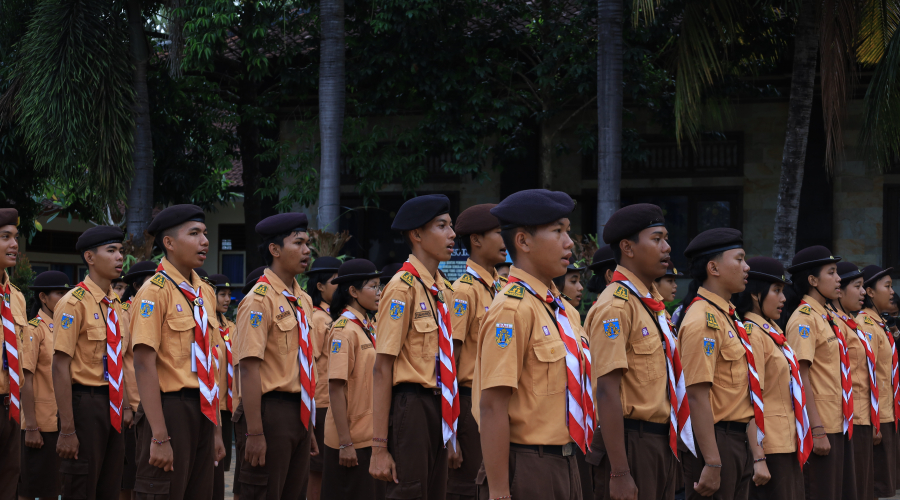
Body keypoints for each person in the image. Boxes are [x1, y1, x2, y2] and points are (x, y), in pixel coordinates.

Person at [474, 189, 591, 500]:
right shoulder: (512, 310)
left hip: (567, 461)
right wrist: (499, 492)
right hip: (529, 465)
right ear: (523, 241)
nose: (569, 243)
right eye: (557, 231)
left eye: (568, 231)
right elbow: (492, 406)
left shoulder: (562, 310)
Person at [586, 203, 693, 500]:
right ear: (627, 248)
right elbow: (606, 391)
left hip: (661, 441)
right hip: (633, 442)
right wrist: (620, 471)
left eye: (666, 238)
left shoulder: (649, 304)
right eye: (657, 239)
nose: (667, 247)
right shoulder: (615, 307)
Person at [130, 204, 227, 500]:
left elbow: (211, 363)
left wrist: (215, 430)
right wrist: (159, 435)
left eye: (205, 234)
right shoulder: (154, 292)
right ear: (169, 243)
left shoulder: (205, 293)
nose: (205, 241)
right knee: (163, 491)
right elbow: (144, 364)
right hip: (170, 409)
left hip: (203, 409)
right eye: (194, 233)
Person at [369, 194, 459, 499]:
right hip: (413, 405)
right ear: (417, 235)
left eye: (451, 226)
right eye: (442, 226)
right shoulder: (401, 288)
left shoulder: (442, 289)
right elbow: (382, 368)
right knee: (409, 492)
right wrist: (379, 446)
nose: (452, 234)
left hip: (440, 404)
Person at [233, 212, 320, 499]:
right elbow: (248, 368)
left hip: (300, 414)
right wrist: (255, 433)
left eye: (308, 243)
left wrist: (308, 427)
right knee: (264, 491)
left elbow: (304, 364)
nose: (307, 250)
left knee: (294, 493)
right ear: (275, 249)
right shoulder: (259, 299)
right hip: (270, 413)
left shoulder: (303, 300)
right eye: (299, 243)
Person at [676, 228, 761, 500]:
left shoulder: (727, 316)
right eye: (739, 259)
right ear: (713, 267)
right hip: (717, 441)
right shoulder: (703, 319)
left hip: (737, 440)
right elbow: (697, 394)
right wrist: (712, 460)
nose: (746, 267)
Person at [51, 226, 134, 500]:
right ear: (89, 257)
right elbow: (60, 366)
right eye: (111, 251)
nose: (119, 257)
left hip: (113, 406)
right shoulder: (73, 304)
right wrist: (67, 428)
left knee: (109, 486)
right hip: (85, 404)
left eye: (120, 251)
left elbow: (122, 361)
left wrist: (127, 406)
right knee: (81, 485)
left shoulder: (117, 306)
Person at [732, 257, 809, 500]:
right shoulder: (754, 334)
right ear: (756, 294)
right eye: (776, 290)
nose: (784, 299)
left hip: (787, 441)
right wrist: (759, 457)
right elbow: (752, 398)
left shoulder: (772, 332)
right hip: (770, 446)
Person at [783, 246, 856, 500]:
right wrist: (816, 429)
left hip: (839, 421)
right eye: (832, 272)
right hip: (822, 424)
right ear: (813, 280)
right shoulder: (804, 319)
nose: (838, 279)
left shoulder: (827, 316)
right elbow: (800, 377)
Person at [447, 203, 507, 500]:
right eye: (498, 232)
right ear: (476, 240)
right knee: (469, 489)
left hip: (500, 403)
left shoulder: (502, 289)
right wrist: (451, 433)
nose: (505, 239)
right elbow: (451, 363)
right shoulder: (464, 291)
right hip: (470, 405)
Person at [321, 259, 385, 499]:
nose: (379, 293)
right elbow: (336, 388)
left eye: (379, 286)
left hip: (369, 434)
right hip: (351, 440)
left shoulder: (366, 326)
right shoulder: (344, 330)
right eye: (373, 286)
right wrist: (345, 443)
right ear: (353, 291)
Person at [828, 262, 880, 500]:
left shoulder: (850, 322)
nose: (862, 292)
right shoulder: (833, 322)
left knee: (862, 489)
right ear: (840, 290)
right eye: (857, 286)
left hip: (861, 416)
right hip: (845, 419)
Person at [18, 271, 70, 500]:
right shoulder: (34, 329)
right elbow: (25, 379)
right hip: (41, 424)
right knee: (33, 489)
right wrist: (30, 426)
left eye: (67, 293)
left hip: (64, 421)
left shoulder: (64, 327)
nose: (65, 297)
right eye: (60, 293)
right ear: (43, 297)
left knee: (58, 487)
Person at [553, 258, 592, 500]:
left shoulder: (573, 317)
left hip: (579, 430)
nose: (580, 288)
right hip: (555, 433)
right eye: (573, 281)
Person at [861, 264, 900, 499]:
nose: (892, 291)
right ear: (870, 292)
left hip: (888, 412)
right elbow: (866, 375)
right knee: (873, 485)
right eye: (887, 286)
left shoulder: (879, 323)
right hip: (877, 416)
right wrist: (874, 421)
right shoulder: (867, 324)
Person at [118, 259, 156, 500]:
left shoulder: (155, 309)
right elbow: (118, 363)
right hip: (134, 405)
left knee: (149, 474)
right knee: (129, 476)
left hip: (154, 404)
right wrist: (126, 407)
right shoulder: (125, 314)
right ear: (135, 285)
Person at [305, 256, 341, 500]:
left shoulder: (332, 316)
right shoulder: (318, 319)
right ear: (320, 286)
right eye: (335, 282)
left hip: (331, 403)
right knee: (318, 471)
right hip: (320, 404)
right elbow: (309, 363)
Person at [0, 208, 28, 500]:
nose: (14, 245)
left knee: (9, 478)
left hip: (11, 405)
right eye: (5, 237)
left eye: (15, 237)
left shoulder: (16, 297)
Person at [208, 274, 236, 500]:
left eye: (229, 295)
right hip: (210, 404)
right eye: (222, 294)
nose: (227, 299)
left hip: (228, 406)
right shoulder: (208, 324)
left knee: (222, 464)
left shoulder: (232, 328)